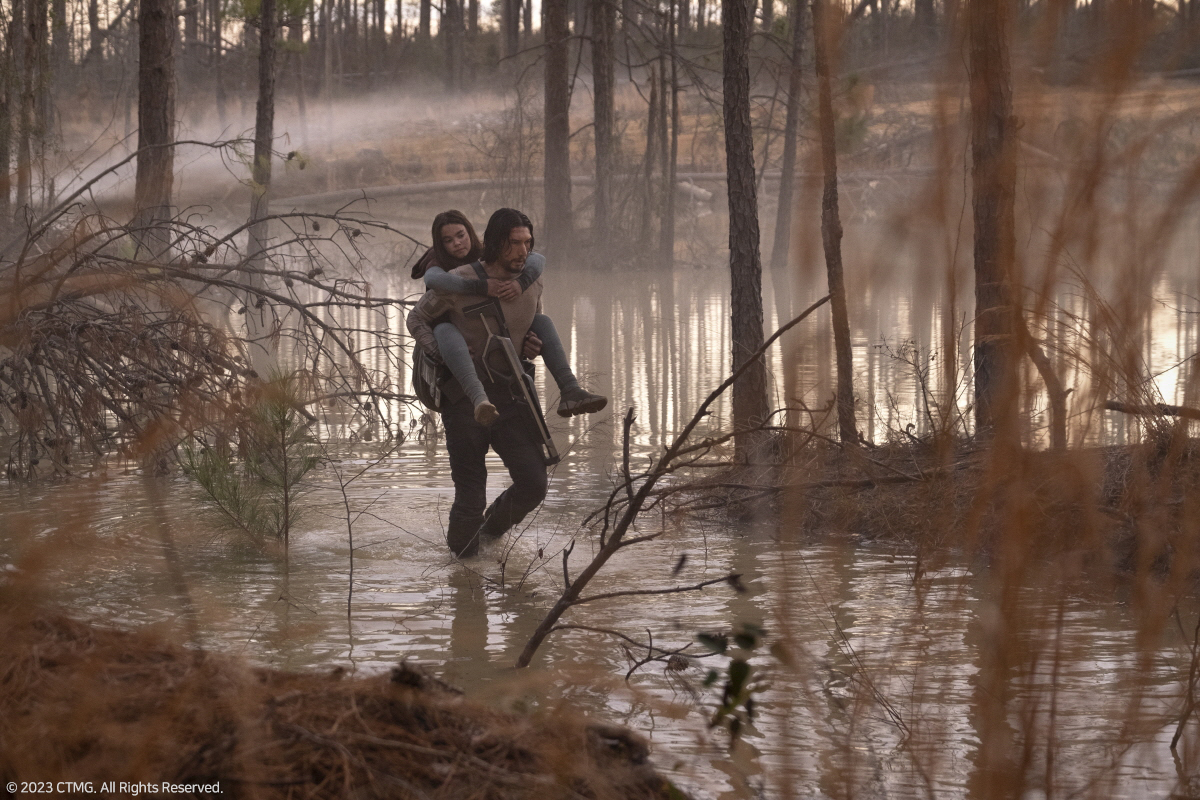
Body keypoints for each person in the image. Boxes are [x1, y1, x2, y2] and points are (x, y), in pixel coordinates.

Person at [406, 208, 566, 557]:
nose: (522, 251)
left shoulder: (532, 277)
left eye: (526, 243)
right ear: (496, 243)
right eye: (513, 244)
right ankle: (463, 571)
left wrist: (532, 344)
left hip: (512, 397)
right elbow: (416, 318)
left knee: (534, 484)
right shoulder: (455, 277)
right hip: (463, 400)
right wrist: (440, 350)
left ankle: (489, 536)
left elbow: (530, 321)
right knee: (470, 495)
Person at [409, 210, 606, 425]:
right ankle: (478, 399)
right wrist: (479, 286)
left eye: (461, 235)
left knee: (542, 322)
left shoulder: (501, 259)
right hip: (456, 365)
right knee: (443, 330)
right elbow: (429, 288)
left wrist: (529, 340)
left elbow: (537, 260)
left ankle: (570, 388)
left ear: (471, 234)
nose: (457, 243)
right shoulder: (440, 266)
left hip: (508, 379)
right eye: (448, 240)